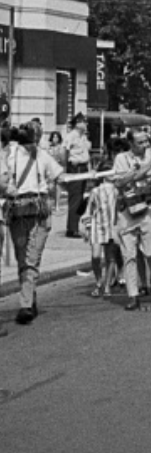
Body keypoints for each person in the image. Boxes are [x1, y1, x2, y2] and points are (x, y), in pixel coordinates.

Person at [0, 124, 64, 324]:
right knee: (22, 258)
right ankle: (30, 295)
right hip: (17, 212)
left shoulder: (43, 155)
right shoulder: (8, 155)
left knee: (31, 258)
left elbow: (58, 175)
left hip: (39, 211)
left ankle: (25, 305)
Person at [111, 129, 151, 311]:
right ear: (131, 144)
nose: (145, 145)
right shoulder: (121, 159)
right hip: (127, 210)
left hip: (148, 208)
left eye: (146, 142)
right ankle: (133, 294)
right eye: (140, 142)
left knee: (150, 251)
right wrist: (147, 167)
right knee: (129, 255)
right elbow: (119, 182)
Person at [80, 160, 118, 299]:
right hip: (98, 224)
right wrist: (86, 225)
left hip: (112, 224)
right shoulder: (95, 191)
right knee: (96, 256)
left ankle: (107, 285)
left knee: (110, 257)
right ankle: (98, 281)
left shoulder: (117, 190)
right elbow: (89, 209)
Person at [63, 113, 91, 238]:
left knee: (80, 198)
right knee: (75, 198)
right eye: (84, 122)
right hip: (75, 168)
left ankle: (75, 225)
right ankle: (72, 228)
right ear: (78, 123)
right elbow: (65, 152)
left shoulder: (83, 137)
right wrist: (65, 169)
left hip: (83, 167)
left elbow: (86, 153)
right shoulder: (71, 136)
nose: (86, 124)